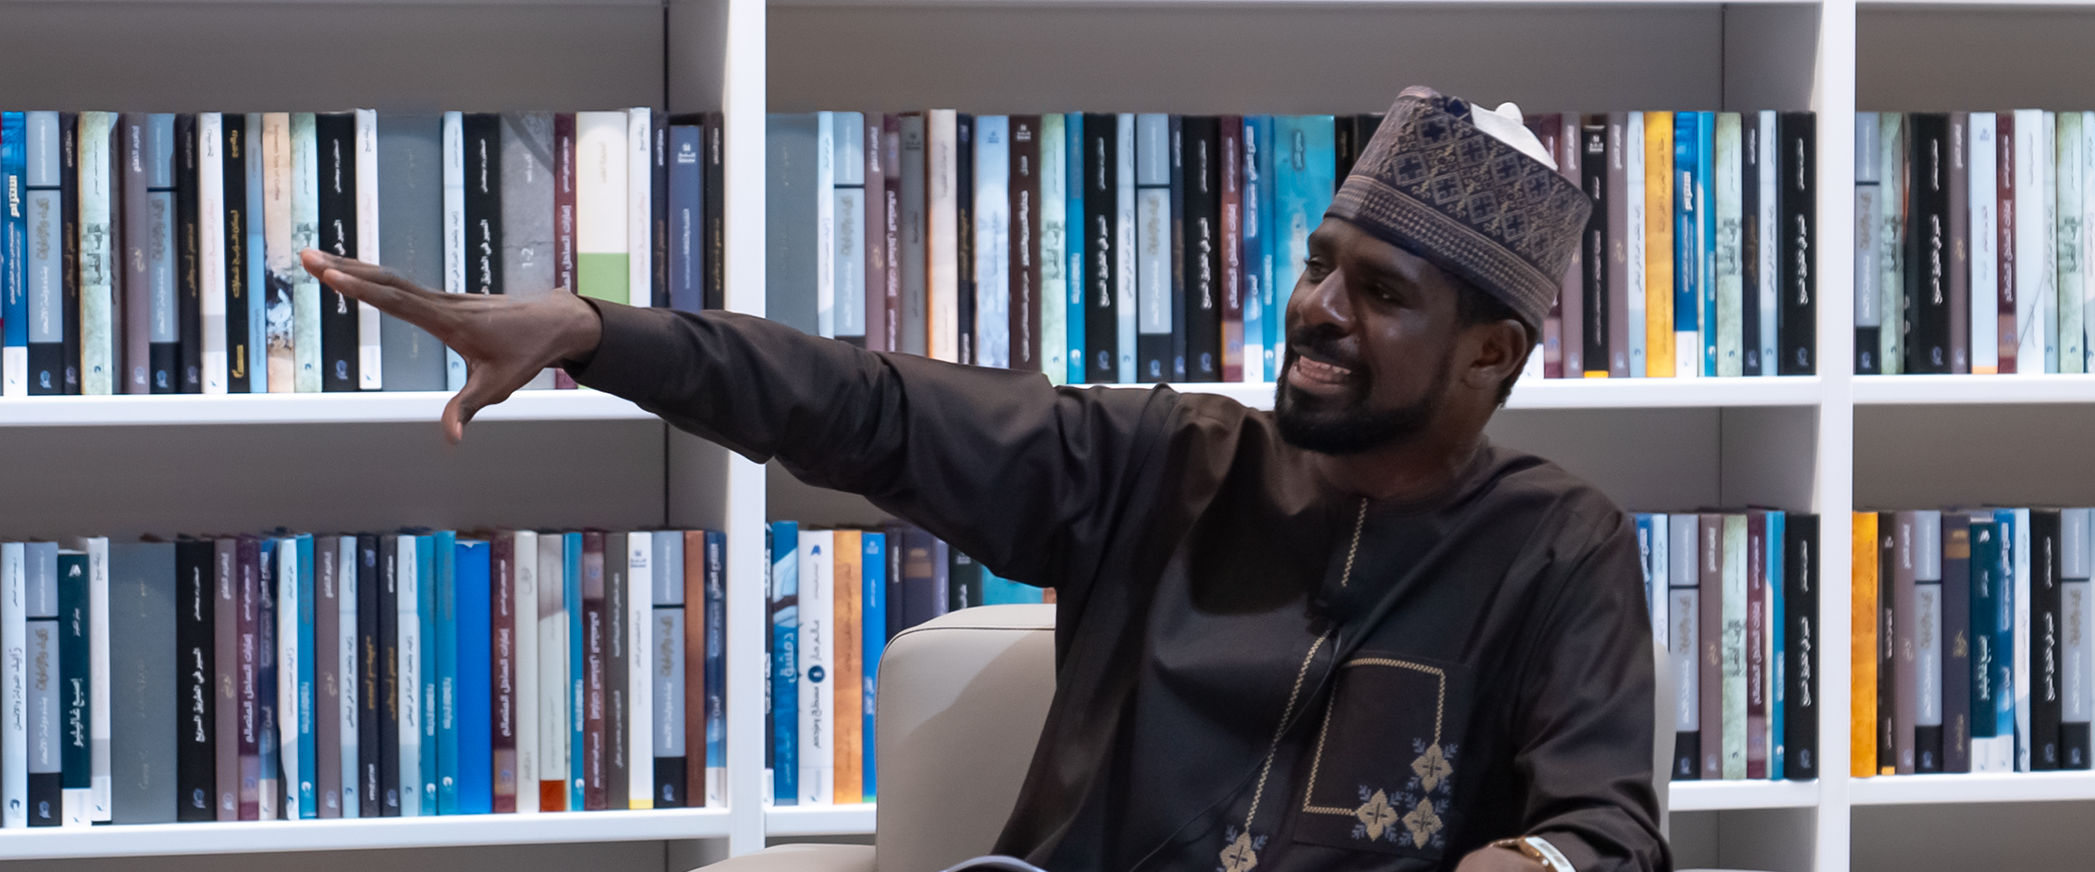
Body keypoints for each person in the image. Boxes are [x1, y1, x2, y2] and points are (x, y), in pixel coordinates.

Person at [300, 86, 1665, 872]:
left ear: (1491, 352)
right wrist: (597, 335)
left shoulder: (1557, 548)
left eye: (1380, 293)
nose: (1317, 310)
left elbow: (1604, 825)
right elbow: (865, 409)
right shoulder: (1162, 463)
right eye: (1318, 266)